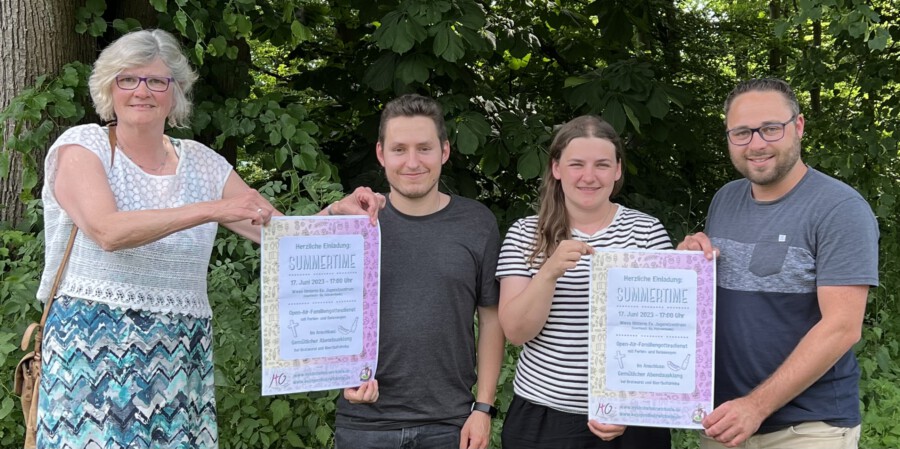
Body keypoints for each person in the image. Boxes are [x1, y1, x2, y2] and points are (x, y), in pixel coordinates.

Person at [35, 29, 383, 449]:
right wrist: (212, 209)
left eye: (157, 80)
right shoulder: (81, 147)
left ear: (175, 91)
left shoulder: (202, 163)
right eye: (128, 79)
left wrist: (333, 216)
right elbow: (107, 230)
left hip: (180, 352)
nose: (141, 91)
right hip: (91, 347)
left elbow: (278, 235)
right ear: (109, 86)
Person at [678, 78, 879, 449]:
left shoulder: (840, 209)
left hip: (806, 428)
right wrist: (690, 267)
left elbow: (842, 328)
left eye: (770, 128)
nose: (756, 144)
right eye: (741, 132)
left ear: (798, 126)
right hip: (726, 422)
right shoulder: (725, 200)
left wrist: (755, 406)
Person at [333, 94, 505, 449]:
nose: (412, 162)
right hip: (366, 423)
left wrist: (483, 408)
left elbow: (491, 319)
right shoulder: (353, 224)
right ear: (381, 154)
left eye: (424, 148)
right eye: (399, 150)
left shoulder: (477, 223)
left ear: (444, 151)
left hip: (451, 424)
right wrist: (341, 374)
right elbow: (317, 311)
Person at [495, 115, 672, 449]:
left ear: (618, 170)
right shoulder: (524, 234)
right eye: (576, 164)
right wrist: (548, 273)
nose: (589, 177)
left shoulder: (647, 232)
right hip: (545, 416)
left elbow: (663, 337)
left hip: (631, 417)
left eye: (602, 165)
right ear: (557, 168)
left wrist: (629, 407)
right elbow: (517, 333)